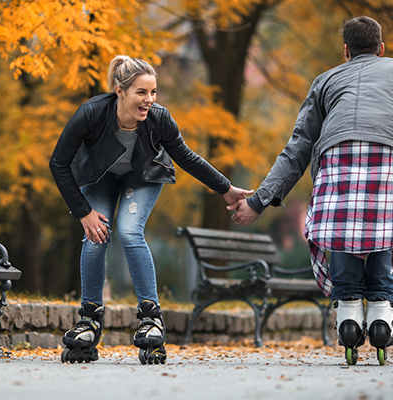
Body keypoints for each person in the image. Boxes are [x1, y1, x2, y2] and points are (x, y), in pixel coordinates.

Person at [229, 16, 393, 365]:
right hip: (392, 155)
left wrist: (258, 201)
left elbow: (298, 146)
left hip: (337, 155)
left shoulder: (326, 79)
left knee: (343, 229)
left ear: (346, 51)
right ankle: (380, 316)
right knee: (385, 229)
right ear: (382, 49)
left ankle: (348, 316)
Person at [50, 55, 252, 365]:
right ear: (120, 91)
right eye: (141, 92)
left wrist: (226, 189)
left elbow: (187, 158)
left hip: (142, 176)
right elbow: (58, 163)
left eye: (153, 92)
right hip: (99, 177)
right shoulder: (91, 114)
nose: (149, 100)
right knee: (95, 235)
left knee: (130, 232)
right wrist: (83, 212)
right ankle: (89, 320)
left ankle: (151, 319)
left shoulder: (159, 119)